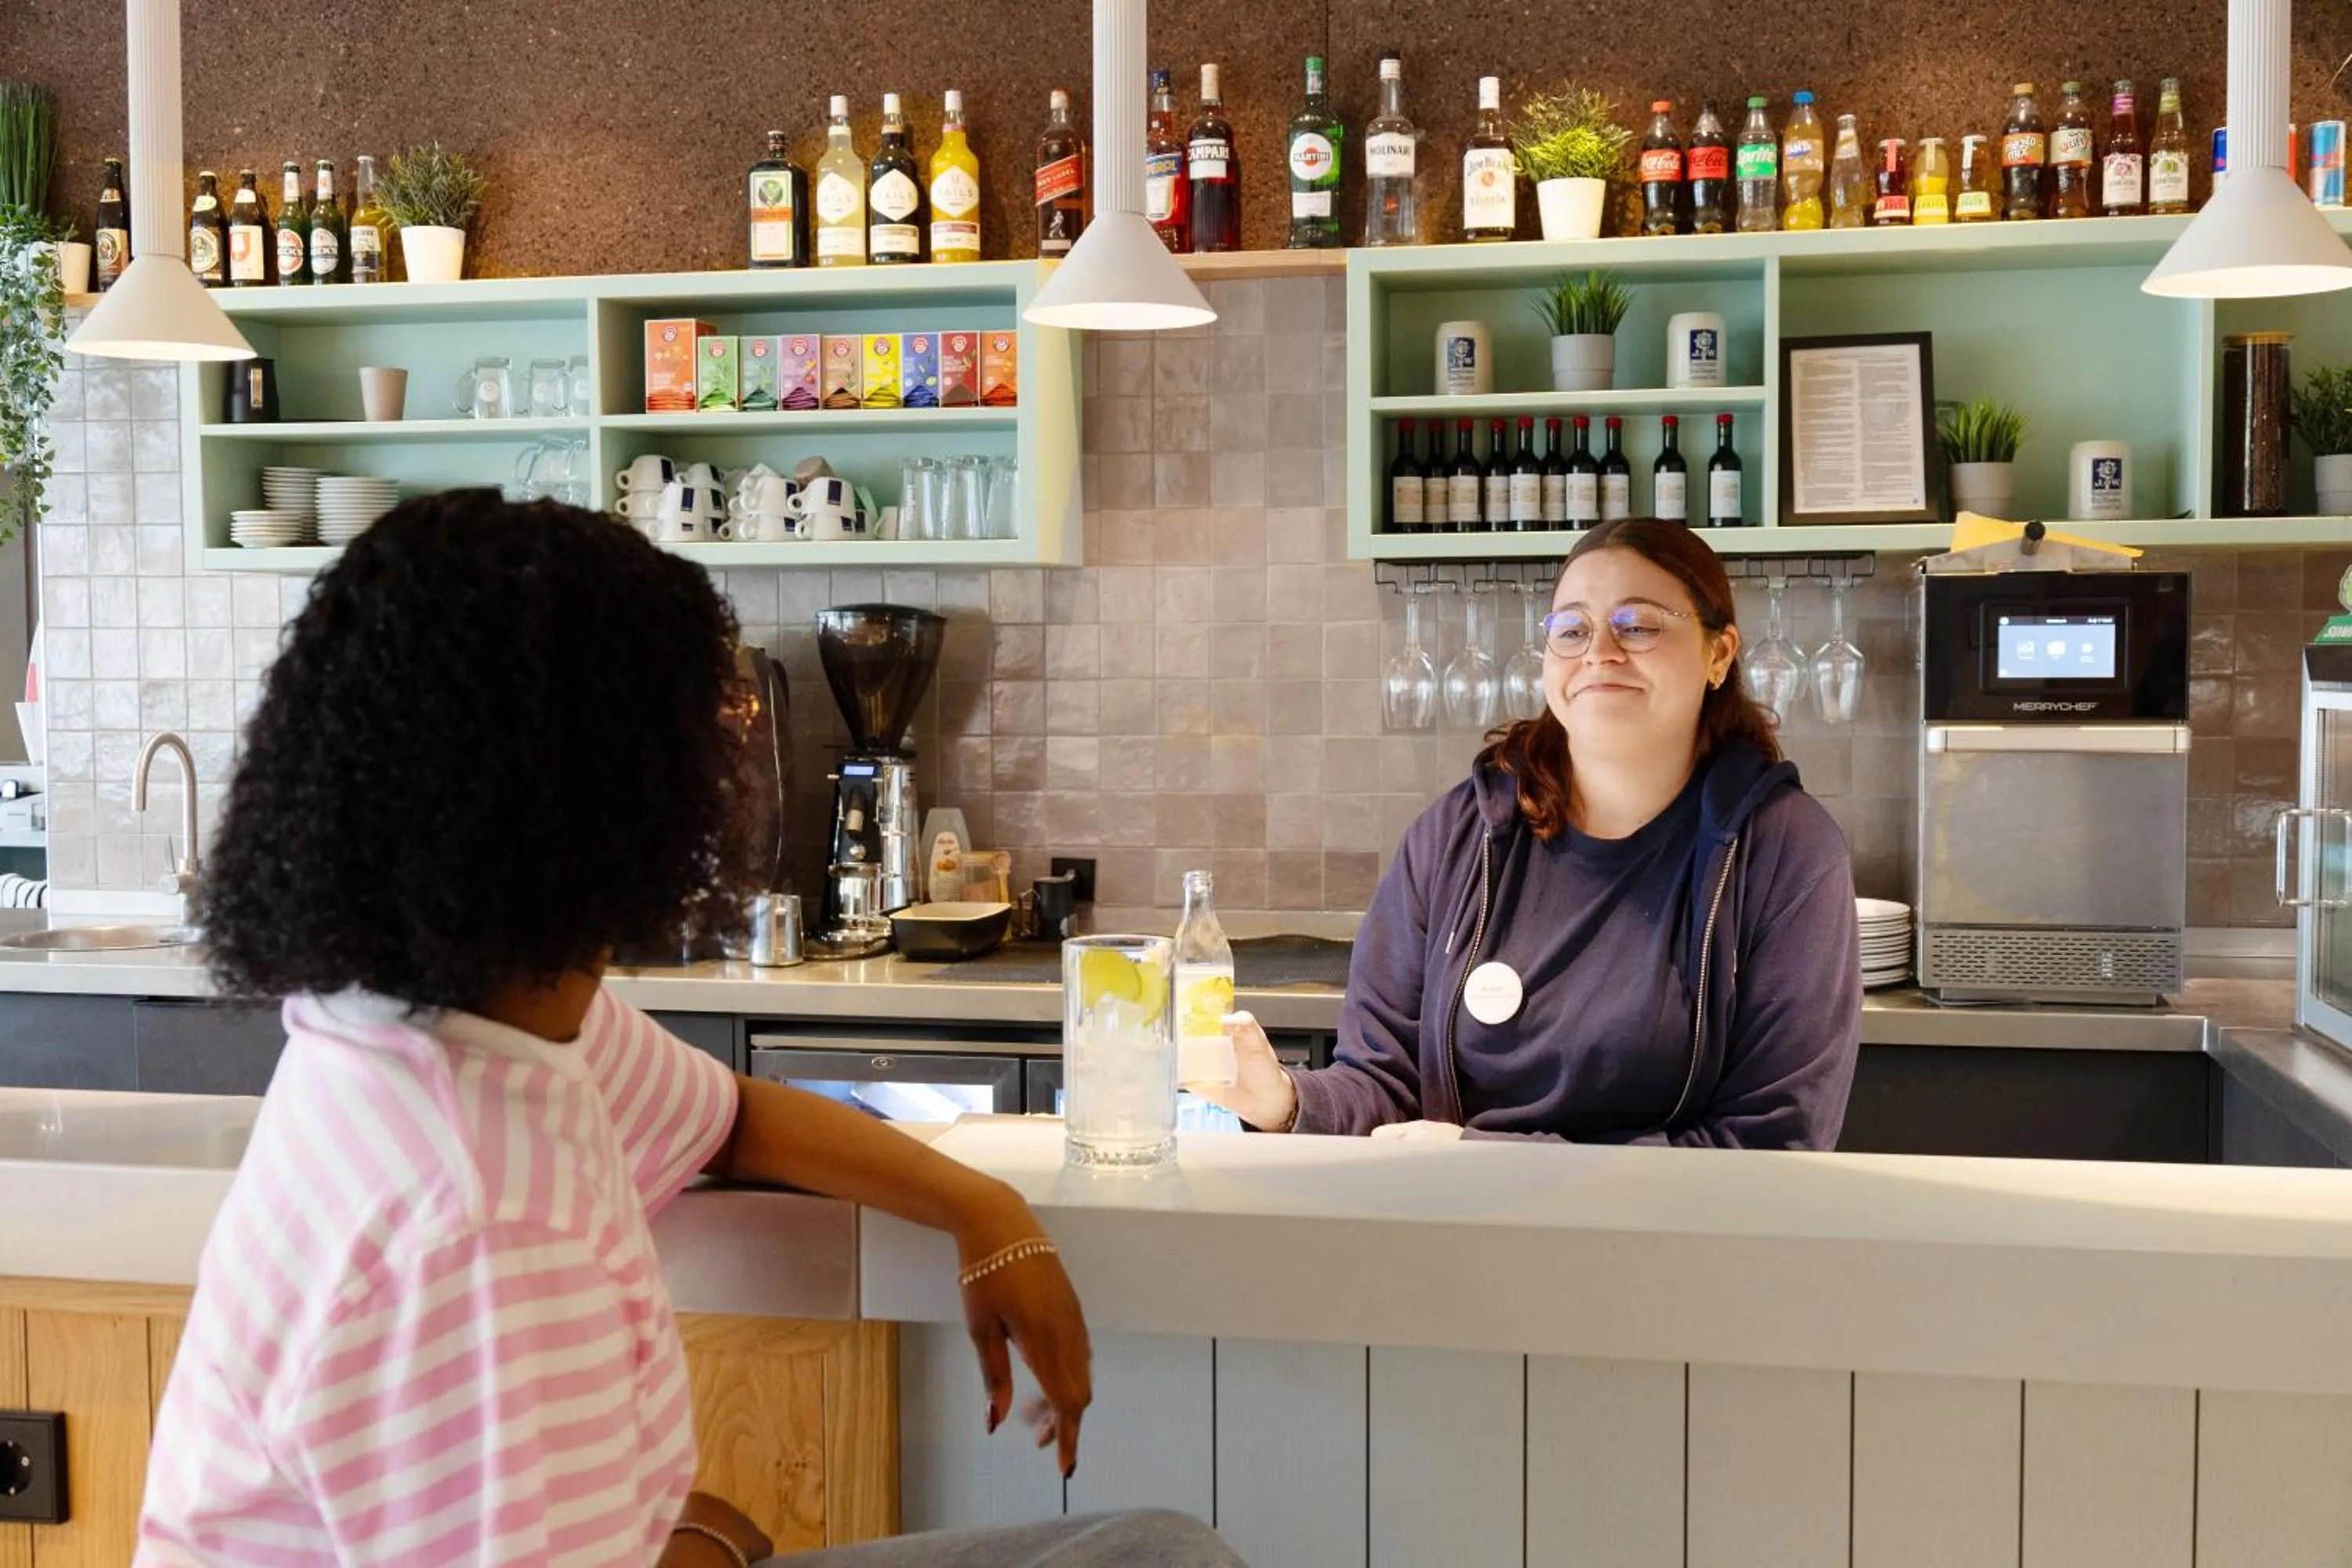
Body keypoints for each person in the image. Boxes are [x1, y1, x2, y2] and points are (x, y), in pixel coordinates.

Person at [134, 494, 1242, 1568]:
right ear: (616, 791)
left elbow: (731, 1118)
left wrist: (982, 1209)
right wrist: (698, 1538)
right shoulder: (478, 1220)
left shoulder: (435, 1029)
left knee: (1159, 1553)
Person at [1201, 517, 1860, 1148]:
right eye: (1571, 630)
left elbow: (1773, 1143)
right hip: (1463, 1249)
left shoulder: (1785, 851)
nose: (1601, 652)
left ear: (1718, 653)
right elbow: (1384, 1086)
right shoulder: (1460, 836)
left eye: (1639, 625)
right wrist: (1287, 1102)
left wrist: (1488, 1156)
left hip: (1672, 1256)